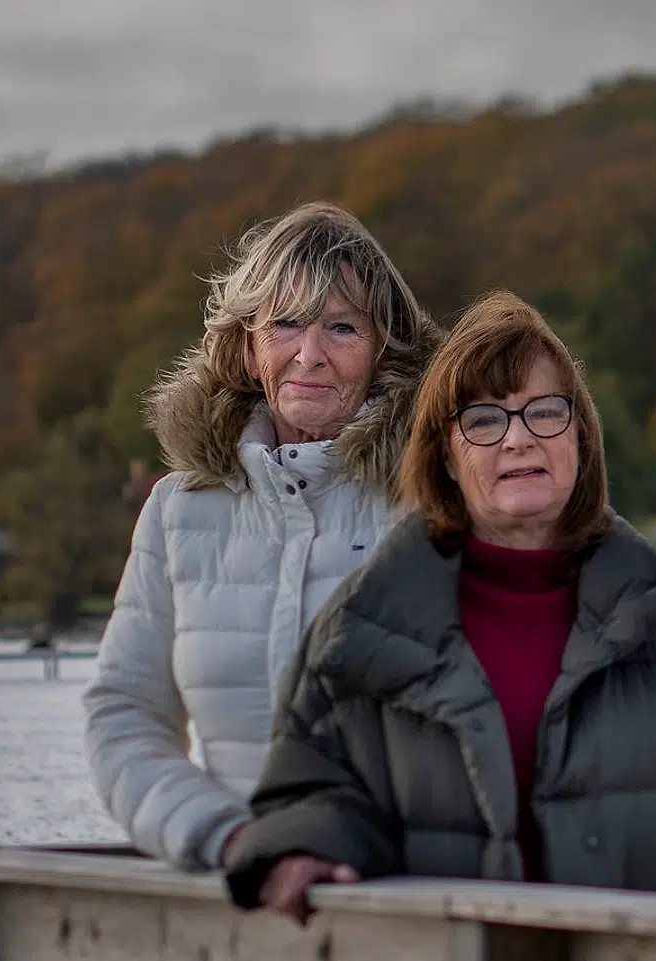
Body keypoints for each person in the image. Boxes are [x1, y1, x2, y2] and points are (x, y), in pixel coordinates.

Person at [223, 290, 656, 923]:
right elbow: (311, 788)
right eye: (484, 420)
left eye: (544, 412)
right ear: (446, 454)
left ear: (580, 436)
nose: (519, 439)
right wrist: (307, 844)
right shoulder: (361, 629)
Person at [82, 202, 446, 871]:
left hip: (398, 890)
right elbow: (124, 714)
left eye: (342, 327)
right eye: (285, 323)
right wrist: (228, 841)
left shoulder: (437, 500)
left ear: (383, 351)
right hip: (234, 892)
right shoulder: (177, 511)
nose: (310, 354)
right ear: (248, 348)